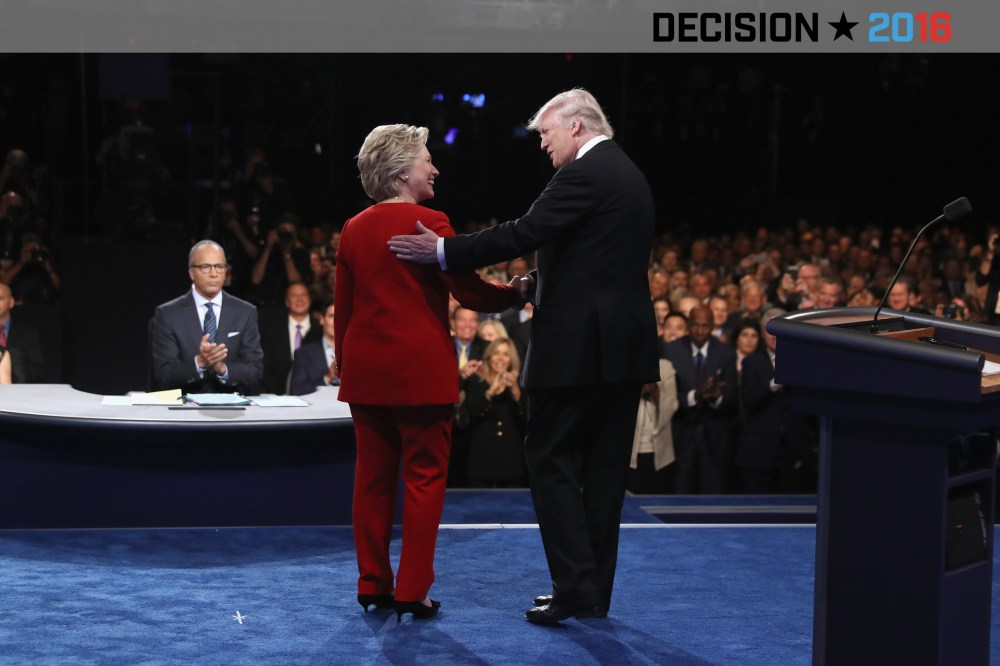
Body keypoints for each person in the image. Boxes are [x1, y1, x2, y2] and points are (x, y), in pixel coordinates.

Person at [388, 88, 659, 624]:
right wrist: (540, 279)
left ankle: (572, 586)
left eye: (546, 134)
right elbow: (598, 256)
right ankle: (589, 592)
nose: (543, 145)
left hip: (579, 349)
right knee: (603, 473)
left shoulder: (583, 172)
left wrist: (443, 251)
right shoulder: (626, 171)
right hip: (621, 349)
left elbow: (525, 231)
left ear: (576, 126)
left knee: (549, 459)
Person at [335, 124, 519, 622]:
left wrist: (345, 364)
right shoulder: (432, 221)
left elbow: (343, 310)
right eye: (427, 159)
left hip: (368, 374)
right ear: (401, 173)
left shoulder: (352, 228)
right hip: (420, 373)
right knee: (424, 479)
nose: (434, 168)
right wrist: (519, 292)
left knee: (371, 479)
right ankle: (412, 591)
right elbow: (471, 294)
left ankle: (372, 582)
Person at [150, 240, 264, 394]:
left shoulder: (245, 312)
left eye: (219, 267)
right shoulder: (168, 314)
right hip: (184, 411)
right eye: (205, 267)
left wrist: (221, 368)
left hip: (232, 409)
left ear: (225, 271)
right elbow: (164, 375)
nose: (213, 273)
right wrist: (200, 362)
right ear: (192, 273)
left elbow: (254, 371)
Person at [662, 304, 739, 494]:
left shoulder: (726, 353)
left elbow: (733, 400)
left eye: (705, 326)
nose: (700, 331)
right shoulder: (672, 351)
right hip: (681, 437)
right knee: (679, 496)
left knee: (713, 498)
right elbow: (666, 397)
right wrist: (694, 395)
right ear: (688, 325)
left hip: (715, 440)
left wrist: (717, 397)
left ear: (713, 326)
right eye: (695, 325)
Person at [461, 337, 527, 488]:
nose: (500, 358)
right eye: (496, 353)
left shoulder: (519, 385)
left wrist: (516, 391)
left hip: (511, 463)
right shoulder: (476, 382)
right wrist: (490, 391)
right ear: (489, 356)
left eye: (505, 354)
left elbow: (525, 420)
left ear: (511, 359)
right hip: (481, 461)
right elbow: (474, 412)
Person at [627, 357, 678, 495]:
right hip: (628, 457)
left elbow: (672, 405)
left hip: (660, 457)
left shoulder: (665, 367)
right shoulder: (624, 363)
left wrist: (654, 388)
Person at [259, 281, 321, 394]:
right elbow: (265, 367)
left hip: (313, 395)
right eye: (294, 295)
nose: (299, 299)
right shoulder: (271, 331)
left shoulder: (320, 330)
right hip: (275, 396)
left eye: (303, 295)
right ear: (287, 302)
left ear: (310, 300)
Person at [289, 299, 338, 395]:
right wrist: (328, 378)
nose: (336, 321)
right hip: (318, 408)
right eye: (332, 316)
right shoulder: (304, 354)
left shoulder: (357, 352)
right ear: (322, 319)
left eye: (341, 316)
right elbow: (296, 391)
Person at [0, 282, 43, 383]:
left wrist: (12, 379)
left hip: (19, 390)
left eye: (0, 298)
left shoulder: (27, 333)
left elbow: (37, 367)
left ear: (11, 302)